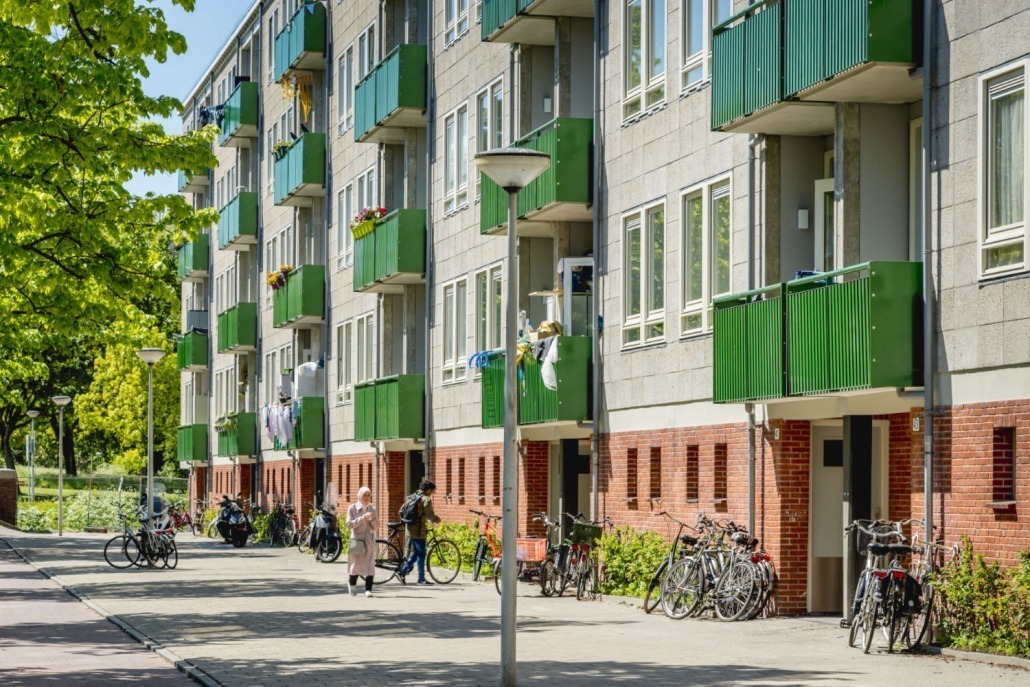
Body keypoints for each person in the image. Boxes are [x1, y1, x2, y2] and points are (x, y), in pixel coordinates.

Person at [398, 478, 441, 585]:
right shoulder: (426, 499)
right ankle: (418, 578)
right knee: (422, 554)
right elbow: (430, 515)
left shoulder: (411, 497)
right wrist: (437, 519)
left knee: (417, 552)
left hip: (409, 529)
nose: (433, 494)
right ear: (428, 490)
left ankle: (404, 572)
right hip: (418, 531)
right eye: (432, 491)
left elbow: (400, 511)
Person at [345, 486, 377, 597]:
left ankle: (368, 590)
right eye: (365, 495)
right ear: (360, 496)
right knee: (356, 566)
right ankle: (351, 584)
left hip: (369, 541)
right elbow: (349, 524)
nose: (367, 497)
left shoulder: (372, 509)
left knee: (370, 566)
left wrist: (372, 520)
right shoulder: (352, 508)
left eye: (369, 495)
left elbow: (377, 526)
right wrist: (362, 518)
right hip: (357, 541)